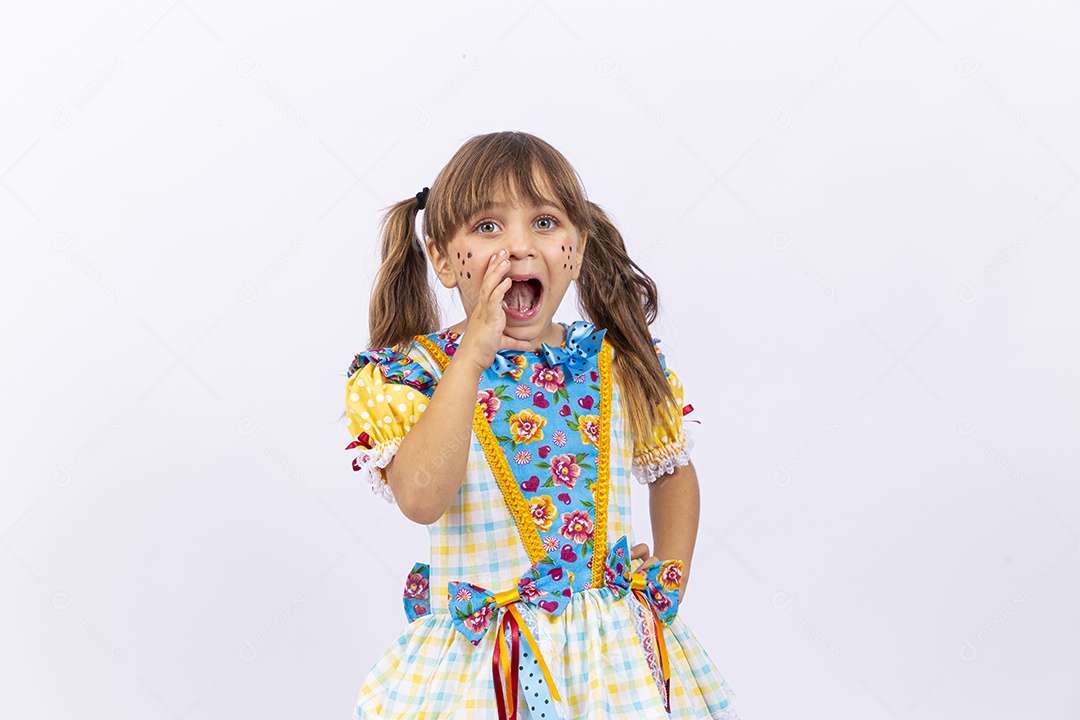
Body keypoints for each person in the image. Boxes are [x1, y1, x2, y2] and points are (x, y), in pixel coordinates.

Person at [343, 130, 740, 719]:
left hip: (612, 663)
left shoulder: (614, 365)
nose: (519, 247)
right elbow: (424, 499)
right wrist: (471, 360)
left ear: (576, 250)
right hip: (487, 670)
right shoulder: (414, 375)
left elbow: (672, 469)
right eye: (487, 227)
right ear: (443, 261)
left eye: (546, 223)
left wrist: (669, 575)